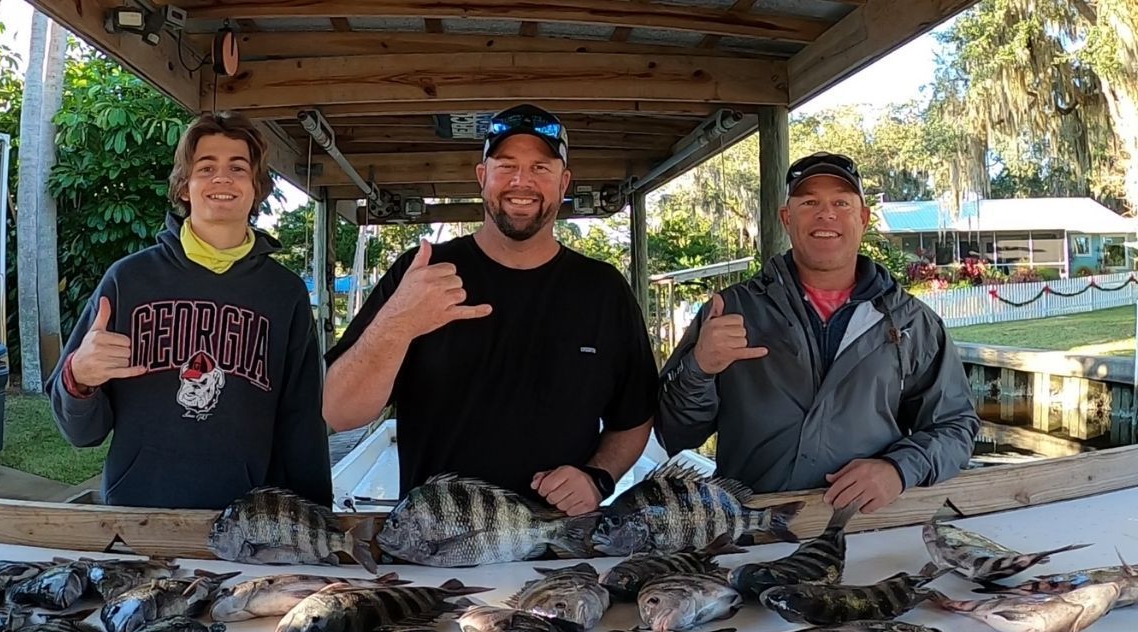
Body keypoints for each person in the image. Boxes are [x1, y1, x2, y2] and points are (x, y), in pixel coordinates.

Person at [323, 104, 658, 516]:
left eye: (541, 167)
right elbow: (338, 411)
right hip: (437, 544)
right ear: (482, 177)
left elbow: (635, 416)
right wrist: (399, 323)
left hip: (561, 544)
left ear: (563, 182)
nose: (522, 182)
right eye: (506, 165)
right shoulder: (422, 275)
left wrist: (597, 477)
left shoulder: (604, 289)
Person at [655, 151, 979, 513]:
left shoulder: (911, 321)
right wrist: (699, 368)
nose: (826, 214)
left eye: (841, 202)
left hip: (864, 528)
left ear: (863, 218)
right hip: (749, 533)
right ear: (786, 217)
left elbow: (955, 426)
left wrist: (899, 469)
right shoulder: (729, 311)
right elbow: (673, 432)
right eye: (809, 201)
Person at [47, 111, 331, 510]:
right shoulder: (128, 281)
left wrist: (316, 515)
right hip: (137, 511)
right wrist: (78, 378)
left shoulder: (285, 293)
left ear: (256, 188)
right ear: (184, 187)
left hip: (246, 522)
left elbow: (303, 421)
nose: (222, 178)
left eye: (238, 167)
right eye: (206, 167)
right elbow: (81, 433)